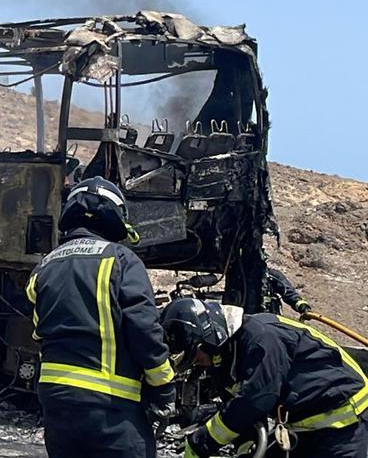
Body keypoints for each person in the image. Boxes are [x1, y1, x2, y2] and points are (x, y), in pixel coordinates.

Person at [26, 177, 176, 458]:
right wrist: (163, 386)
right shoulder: (121, 260)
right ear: (115, 218)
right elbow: (144, 329)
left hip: (57, 406)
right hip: (111, 408)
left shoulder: (44, 266)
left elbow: (38, 332)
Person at [160, 297, 368, 458]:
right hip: (305, 423)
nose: (198, 363)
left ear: (209, 337)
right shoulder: (223, 356)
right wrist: (244, 448)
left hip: (345, 419)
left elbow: (255, 400)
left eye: (196, 356)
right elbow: (237, 410)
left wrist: (202, 442)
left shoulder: (261, 338)